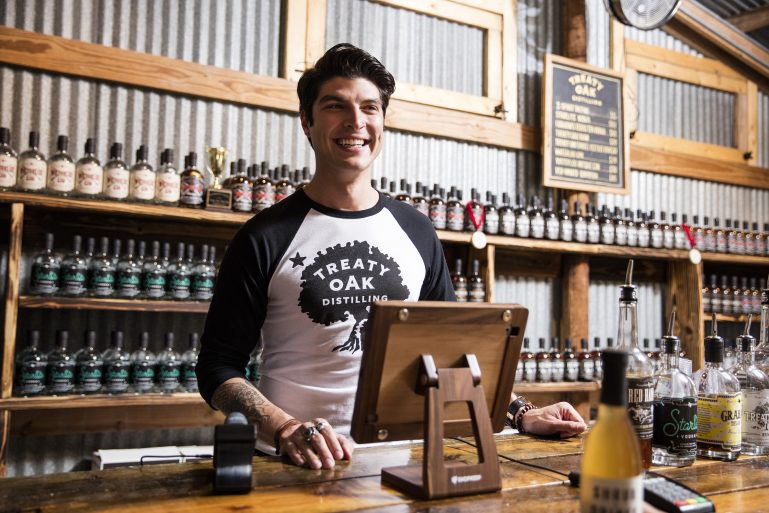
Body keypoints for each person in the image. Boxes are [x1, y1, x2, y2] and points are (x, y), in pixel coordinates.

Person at [196, 43, 586, 471]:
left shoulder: (416, 230)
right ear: (306, 121)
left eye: (370, 107)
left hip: (401, 463)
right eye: (335, 106)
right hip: (291, 466)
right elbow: (216, 367)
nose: (355, 122)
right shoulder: (264, 236)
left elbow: (455, 350)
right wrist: (285, 428)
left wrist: (522, 413)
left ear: (382, 122)